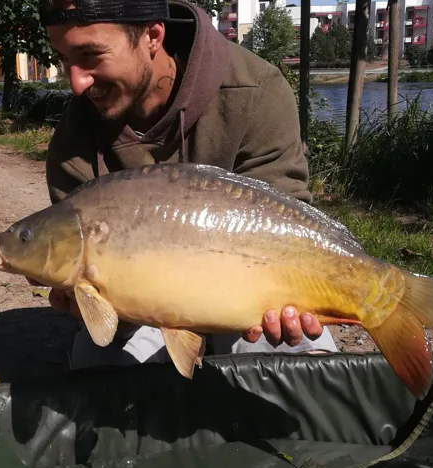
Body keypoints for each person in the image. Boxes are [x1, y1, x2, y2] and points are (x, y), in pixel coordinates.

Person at [36, 0, 339, 369]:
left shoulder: (255, 88)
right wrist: (84, 301)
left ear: (152, 35)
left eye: (90, 55)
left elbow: (287, 217)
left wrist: (288, 306)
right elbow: (94, 296)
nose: (77, 82)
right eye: (64, 58)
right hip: (144, 313)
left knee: (301, 361)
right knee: (94, 370)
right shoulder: (72, 143)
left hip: (249, 292)